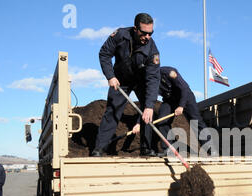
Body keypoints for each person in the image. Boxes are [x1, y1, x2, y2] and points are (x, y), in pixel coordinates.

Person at [92, 13, 160, 157]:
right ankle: (100, 147)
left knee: (147, 112)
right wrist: (110, 76)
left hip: (142, 81)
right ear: (136, 29)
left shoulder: (152, 50)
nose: (148, 37)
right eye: (144, 33)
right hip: (121, 80)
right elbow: (104, 53)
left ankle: (146, 148)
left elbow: (153, 78)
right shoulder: (120, 35)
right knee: (113, 110)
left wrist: (149, 105)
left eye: (151, 33)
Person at [148, 66, 214, 156]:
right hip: (169, 100)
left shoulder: (168, 72)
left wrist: (181, 106)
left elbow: (184, 88)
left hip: (185, 97)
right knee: (162, 120)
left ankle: (210, 150)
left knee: (196, 122)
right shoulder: (150, 80)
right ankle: (168, 149)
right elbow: (151, 97)